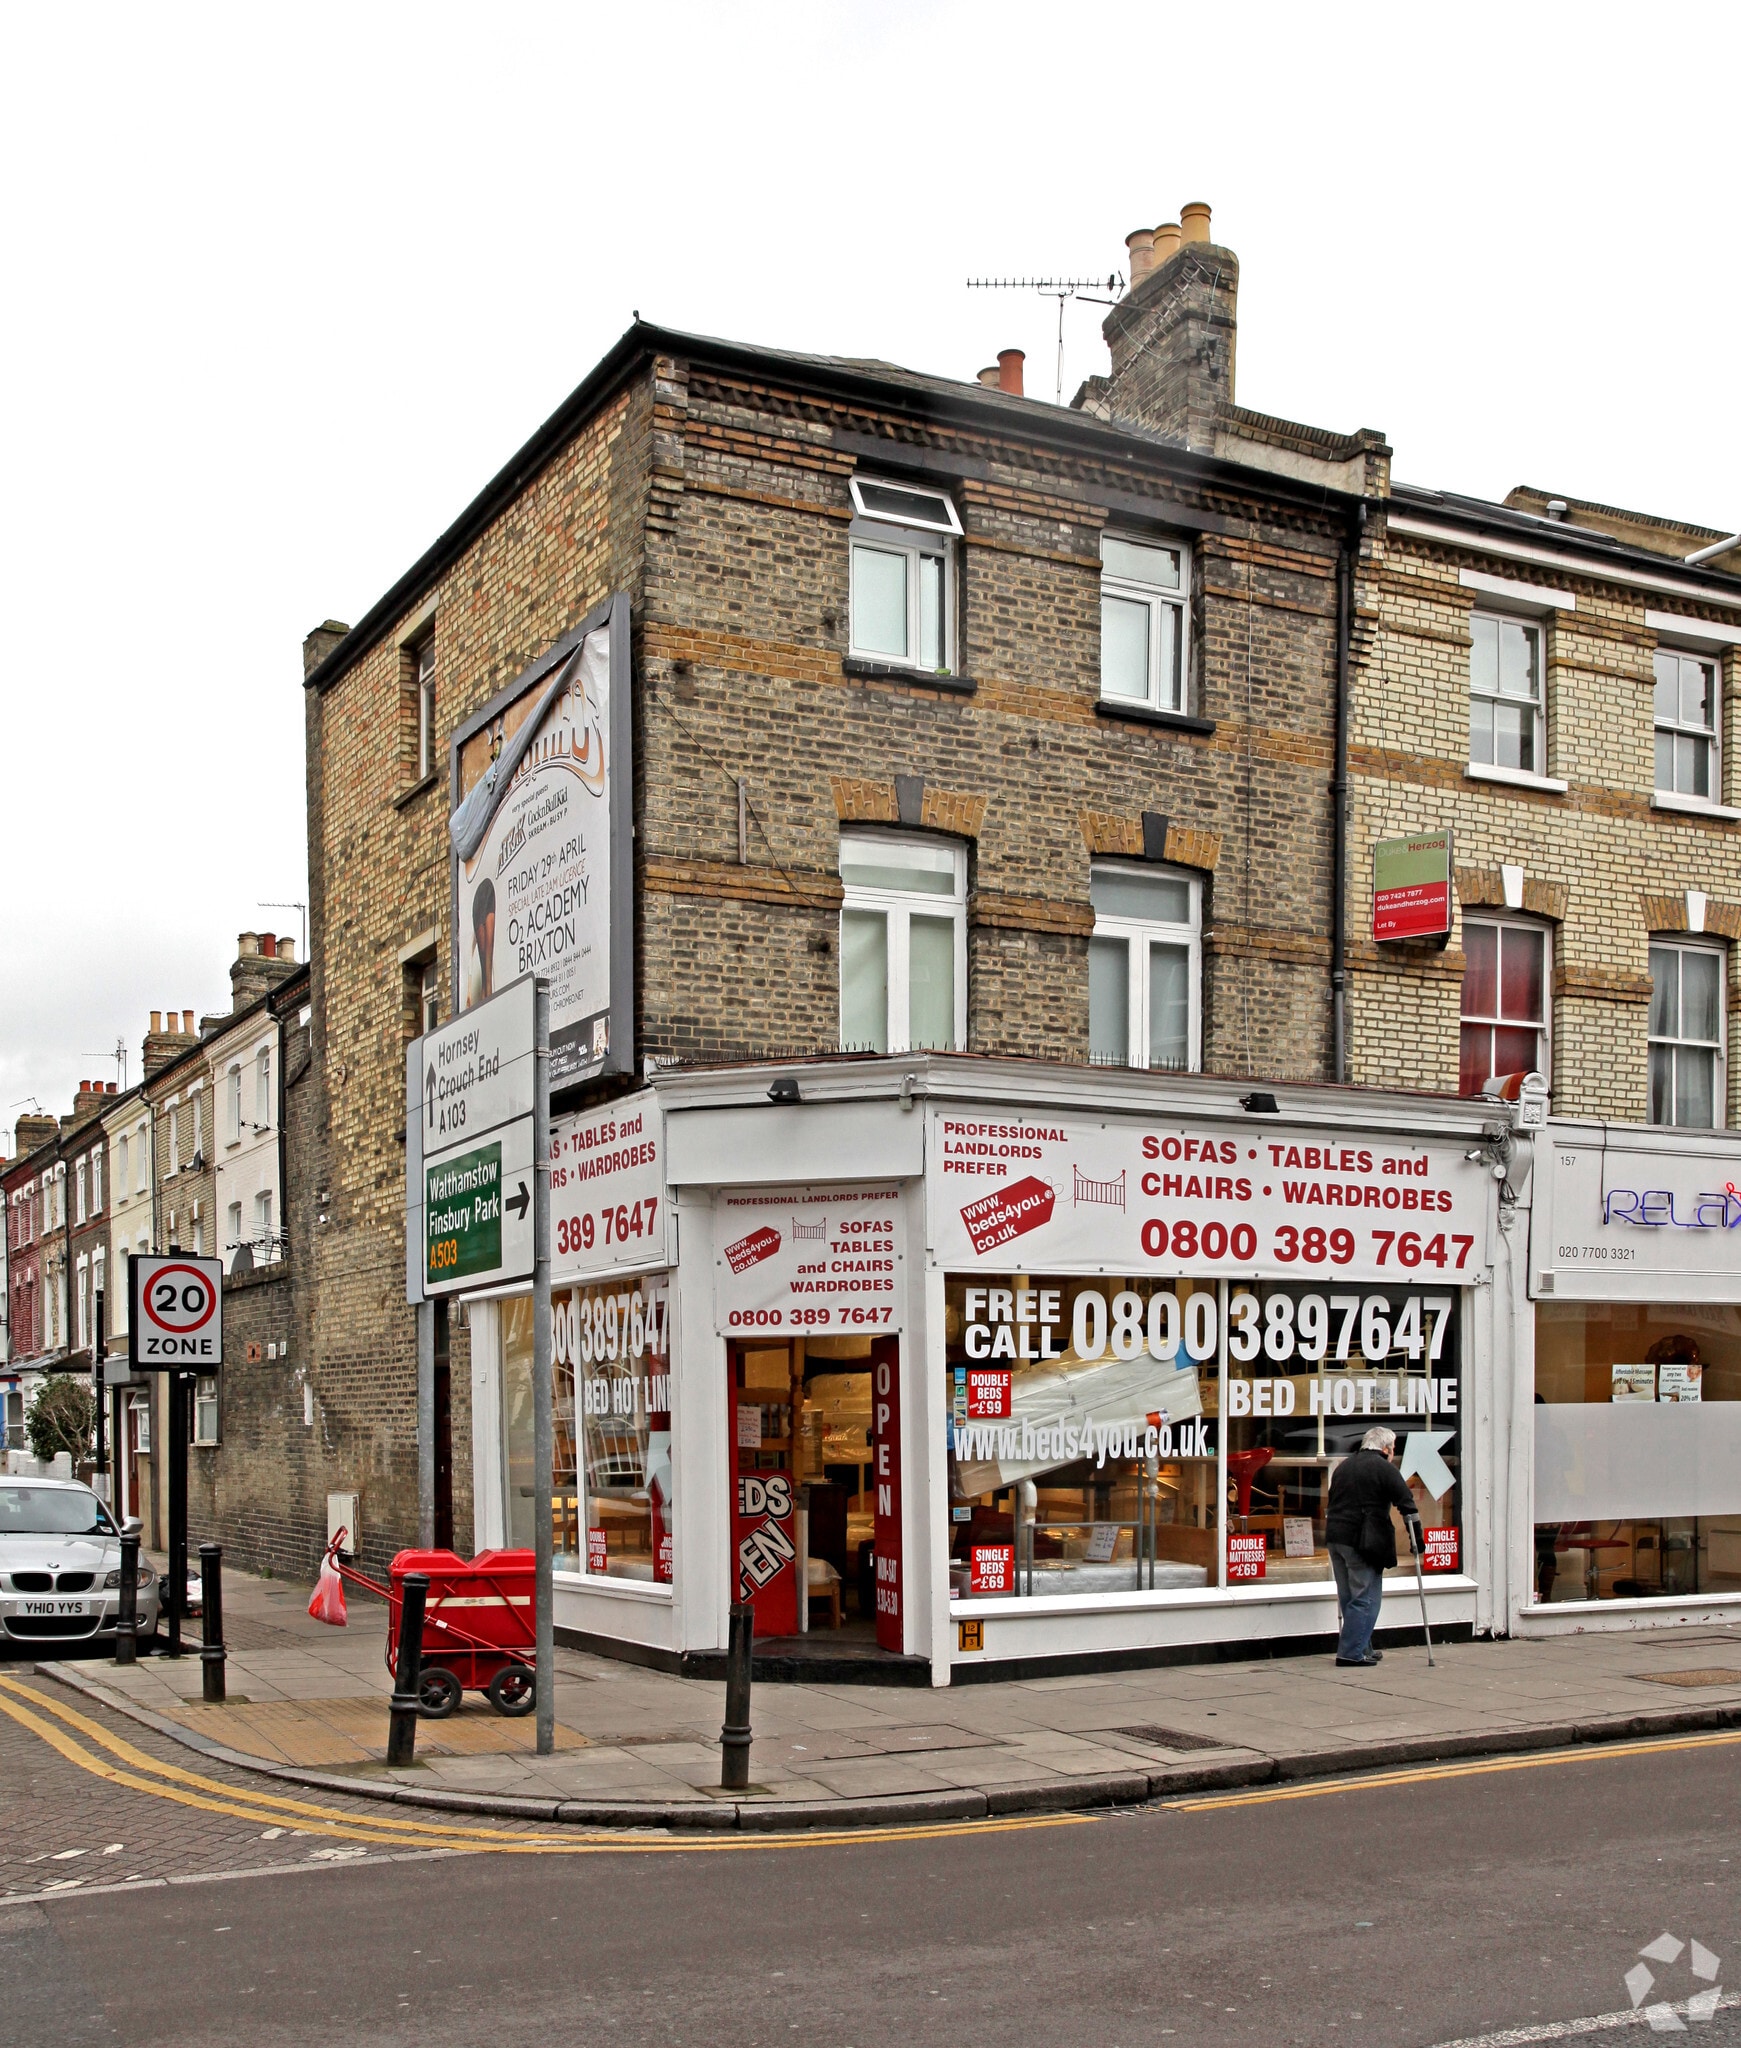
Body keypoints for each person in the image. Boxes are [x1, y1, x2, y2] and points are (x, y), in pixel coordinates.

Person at [1325, 1425, 1421, 1667]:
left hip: (1336, 1537)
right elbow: (1407, 1504)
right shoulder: (1384, 1468)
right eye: (1393, 1448)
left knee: (1349, 1597)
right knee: (1366, 1598)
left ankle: (1362, 1646)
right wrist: (1417, 1539)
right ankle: (1350, 1653)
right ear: (1386, 1448)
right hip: (1363, 1540)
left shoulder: (1344, 1467)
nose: (1393, 1453)